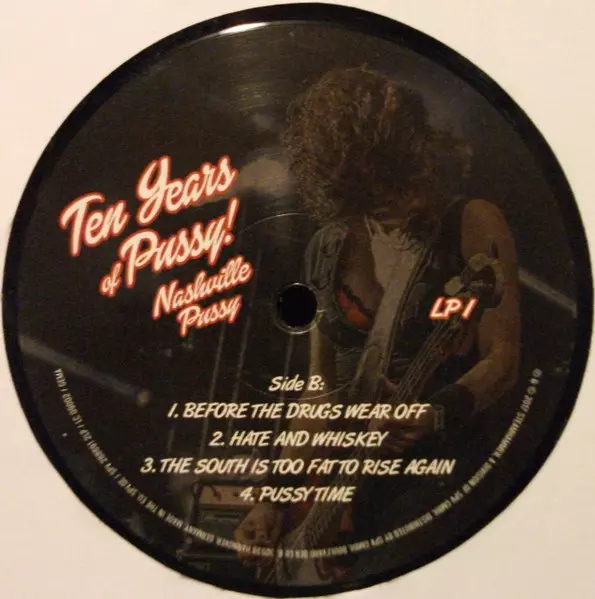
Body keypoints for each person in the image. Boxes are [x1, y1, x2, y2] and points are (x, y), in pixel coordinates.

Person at [234, 65, 521, 578]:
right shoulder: (327, 247)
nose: (392, 202)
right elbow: (319, 391)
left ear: (416, 155)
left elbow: (503, 359)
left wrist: (434, 413)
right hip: (351, 494)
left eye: (396, 181)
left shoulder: (472, 221)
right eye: (370, 192)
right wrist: (275, 498)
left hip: (440, 481)